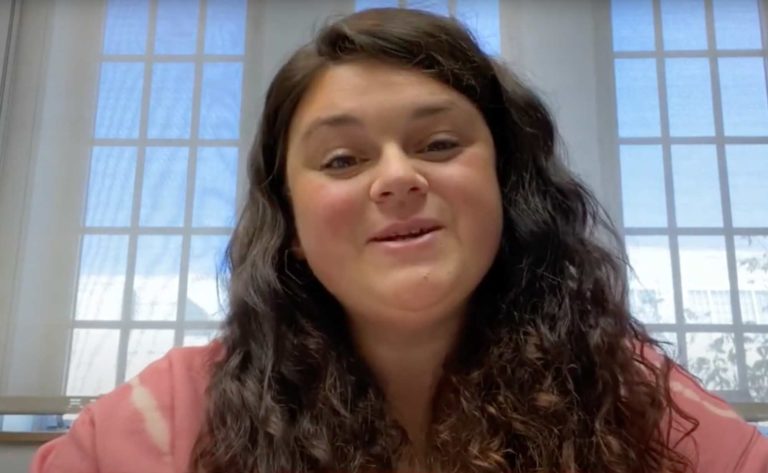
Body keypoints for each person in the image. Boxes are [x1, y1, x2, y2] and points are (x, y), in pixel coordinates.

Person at [30, 7, 768, 473]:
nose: (397, 178)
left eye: (440, 143)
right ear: (288, 225)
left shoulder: (645, 411)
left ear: (506, 191)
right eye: (343, 160)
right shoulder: (161, 424)